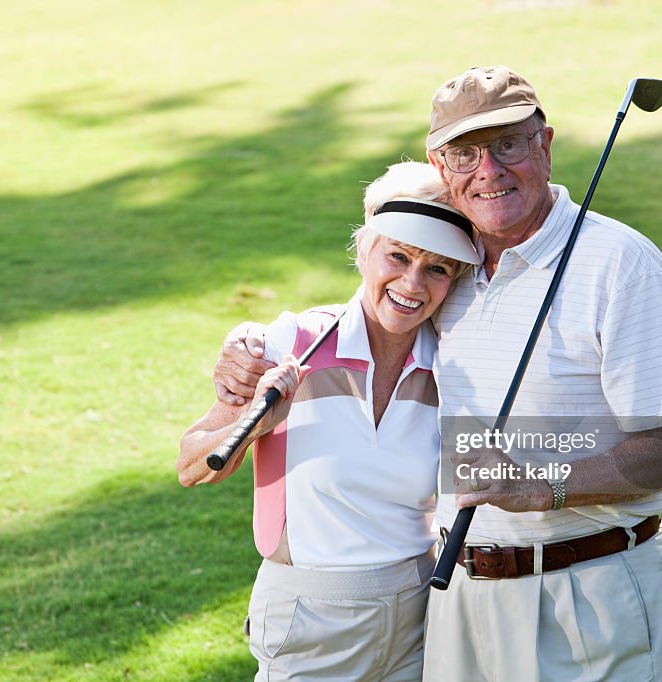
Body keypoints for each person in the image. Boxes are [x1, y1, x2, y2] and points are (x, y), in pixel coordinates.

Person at [213, 66, 662, 682]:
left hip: (588, 590)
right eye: (465, 153)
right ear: (439, 166)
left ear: (545, 145)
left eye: (509, 145)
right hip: (460, 595)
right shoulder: (453, 263)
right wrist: (254, 340)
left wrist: (541, 485)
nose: (489, 172)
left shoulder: (622, 266)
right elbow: (383, 294)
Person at [177, 161, 480, 681]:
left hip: (420, 613)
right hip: (309, 618)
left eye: (437, 268)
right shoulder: (289, 343)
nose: (411, 283)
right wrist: (255, 424)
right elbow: (193, 464)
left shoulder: (452, 366)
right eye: (398, 256)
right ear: (364, 250)